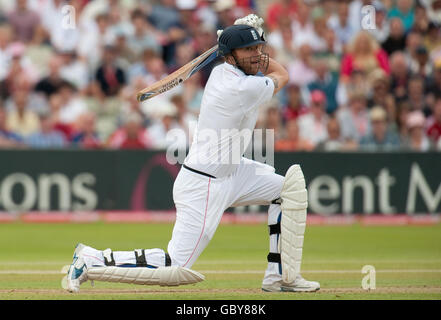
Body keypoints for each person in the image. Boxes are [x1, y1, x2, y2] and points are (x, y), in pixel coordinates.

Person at [66, 18, 320, 293]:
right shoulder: (240, 88)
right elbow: (282, 74)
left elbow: (252, 61)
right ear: (230, 56)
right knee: (174, 265)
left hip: (233, 172)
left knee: (288, 191)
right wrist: (240, 40)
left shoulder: (223, 71)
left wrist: (239, 39)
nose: (257, 55)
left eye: (259, 47)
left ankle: (280, 277)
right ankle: (93, 258)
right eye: (248, 50)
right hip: (205, 183)